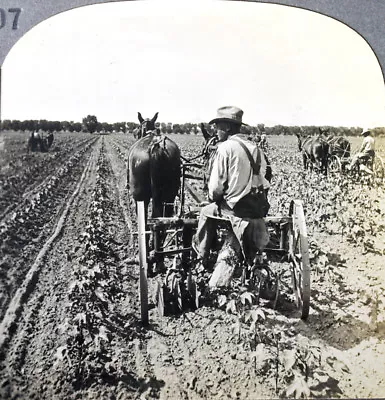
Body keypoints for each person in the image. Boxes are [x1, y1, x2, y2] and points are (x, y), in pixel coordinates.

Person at [193, 106, 271, 268]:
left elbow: (215, 188)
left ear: (227, 127)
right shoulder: (256, 150)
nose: (216, 131)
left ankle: (202, 255)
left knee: (205, 212)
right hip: (257, 208)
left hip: (236, 210)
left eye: (218, 127)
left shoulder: (225, 148)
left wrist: (213, 200)